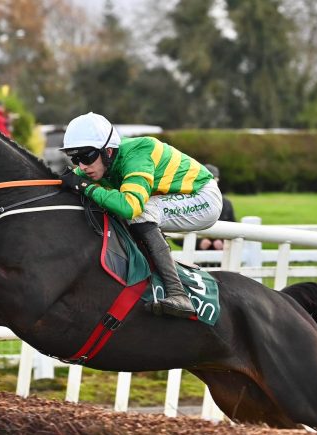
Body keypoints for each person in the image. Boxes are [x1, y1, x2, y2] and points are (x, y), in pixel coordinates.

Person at [59, 112, 222, 319]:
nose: (82, 166)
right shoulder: (99, 164)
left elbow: (130, 207)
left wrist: (84, 186)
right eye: (75, 158)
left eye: (87, 156)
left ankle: (178, 293)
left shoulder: (138, 152)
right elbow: (71, 182)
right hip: (173, 197)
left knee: (139, 212)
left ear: (108, 151)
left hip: (202, 197)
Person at [197, 164, 236, 251]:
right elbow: (178, 231)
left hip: (221, 258)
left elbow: (234, 229)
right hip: (195, 258)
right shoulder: (191, 201)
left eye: (214, 180)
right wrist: (199, 243)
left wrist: (222, 242)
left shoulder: (226, 204)